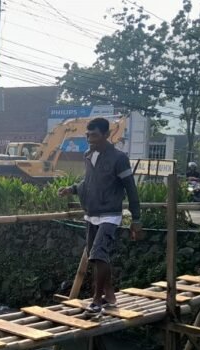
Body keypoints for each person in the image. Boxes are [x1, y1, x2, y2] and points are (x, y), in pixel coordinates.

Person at [58, 118, 142, 317]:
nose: (89, 139)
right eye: (87, 135)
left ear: (106, 135)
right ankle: (110, 296)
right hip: (92, 214)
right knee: (96, 258)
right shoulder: (88, 155)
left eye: (94, 135)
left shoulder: (118, 158)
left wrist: (136, 218)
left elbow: (131, 188)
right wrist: (72, 189)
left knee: (98, 253)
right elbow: (89, 182)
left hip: (110, 215)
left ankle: (96, 301)